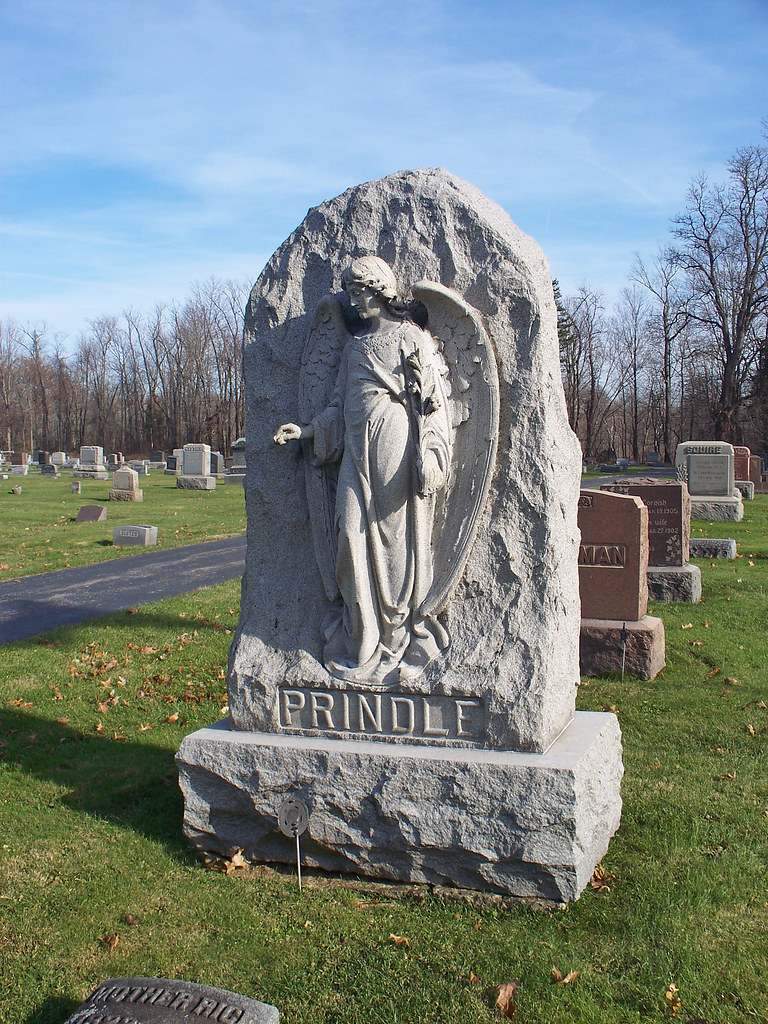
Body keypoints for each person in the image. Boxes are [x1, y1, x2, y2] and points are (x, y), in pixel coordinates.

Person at [274, 256, 454, 683]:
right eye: (350, 292)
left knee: (394, 546)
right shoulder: (354, 348)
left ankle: (396, 641)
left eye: (361, 291)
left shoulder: (412, 339)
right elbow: (338, 406)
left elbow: (433, 409)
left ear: (381, 291)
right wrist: (306, 431)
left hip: (394, 450)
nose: (354, 301)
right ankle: (364, 642)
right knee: (349, 536)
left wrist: (430, 457)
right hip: (356, 456)